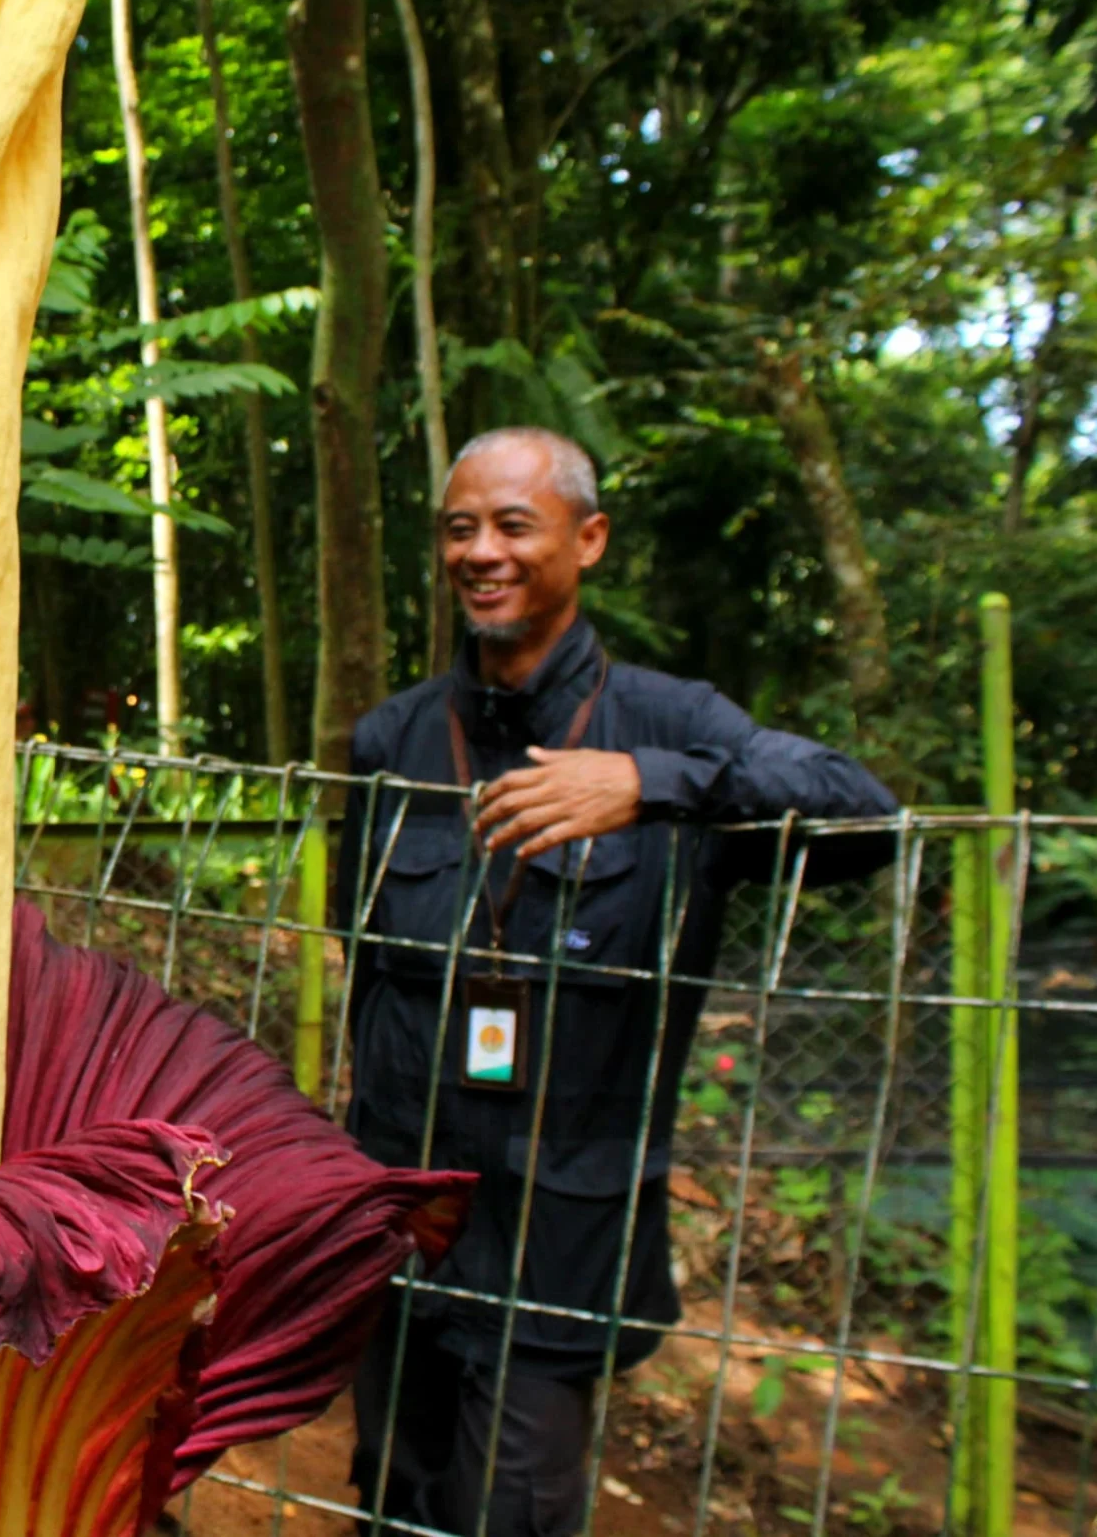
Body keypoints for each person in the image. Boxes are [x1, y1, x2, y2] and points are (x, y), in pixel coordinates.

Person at [336, 427, 897, 1536]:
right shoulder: (391, 738)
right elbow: (362, 966)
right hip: (401, 1217)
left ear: (586, 540)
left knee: (519, 1509)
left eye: (512, 525)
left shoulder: (670, 723)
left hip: (562, 1224)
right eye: (460, 529)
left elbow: (864, 815)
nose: (481, 553)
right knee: (392, 1500)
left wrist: (655, 784)